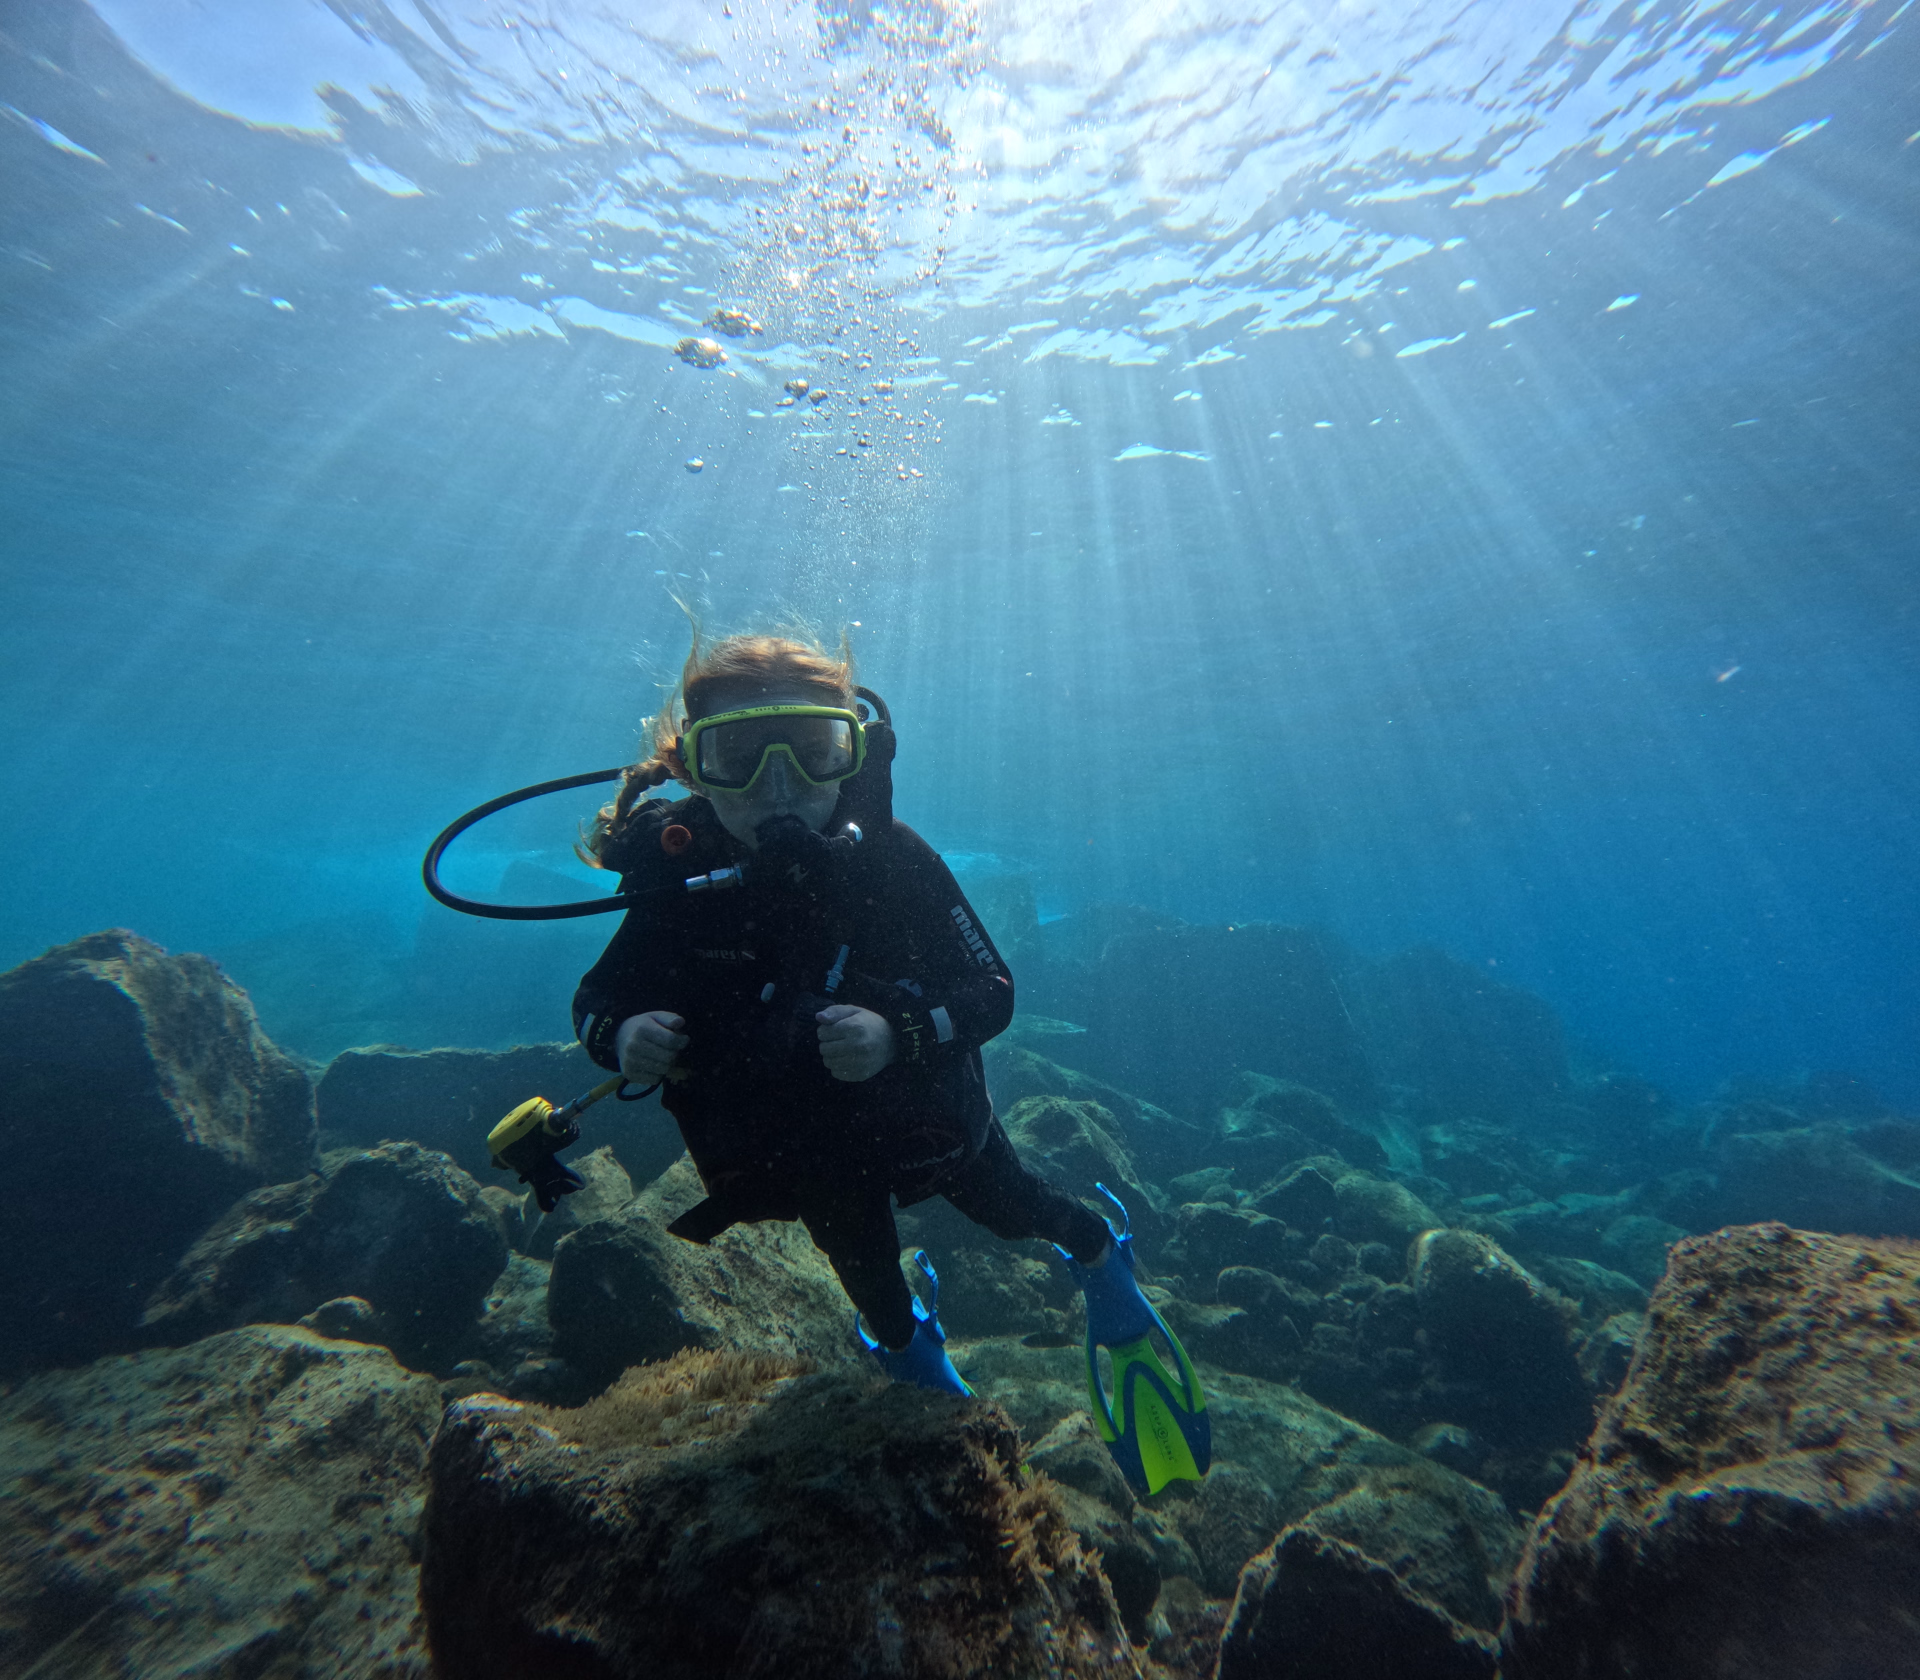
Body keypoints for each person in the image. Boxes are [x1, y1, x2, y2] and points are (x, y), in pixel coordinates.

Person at [557, 624, 1207, 1490]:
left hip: (931, 1124)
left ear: (851, 755)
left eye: (814, 753)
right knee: (862, 1268)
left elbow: (993, 991)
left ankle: (1099, 1255)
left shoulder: (894, 864)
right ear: (689, 768)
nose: (778, 785)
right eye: (738, 755)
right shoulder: (678, 889)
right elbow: (597, 1001)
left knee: (1016, 1207)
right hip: (808, 1159)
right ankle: (905, 1343)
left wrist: (897, 1033)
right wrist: (622, 1038)